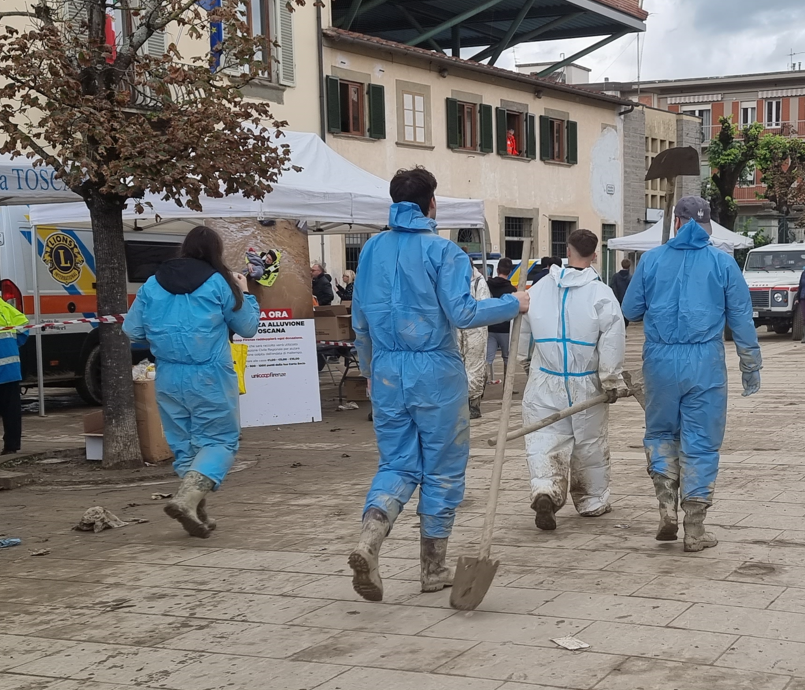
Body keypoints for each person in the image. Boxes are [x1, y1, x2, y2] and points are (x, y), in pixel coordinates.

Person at [349, 166, 529, 601]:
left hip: (389, 372)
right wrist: (513, 303)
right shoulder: (445, 252)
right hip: (435, 371)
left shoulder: (370, 249)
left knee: (396, 464)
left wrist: (371, 372)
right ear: (432, 204)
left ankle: (369, 539)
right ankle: (433, 568)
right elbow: (464, 314)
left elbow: (360, 323)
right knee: (443, 469)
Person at [622, 197, 762, 552]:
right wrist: (750, 363)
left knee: (660, 433)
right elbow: (742, 317)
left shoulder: (652, 259)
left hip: (660, 358)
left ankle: (666, 505)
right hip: (705, 361)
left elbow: (631, 309)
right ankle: (695, 530)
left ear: (677, 222)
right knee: (701, 442)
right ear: (706, 225)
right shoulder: (722, 262)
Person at [123, 226, 260, 538]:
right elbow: (248, 327)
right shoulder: (220, 283)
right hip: (209, 374)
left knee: (184, 444)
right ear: (216, 251)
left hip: (169, 374)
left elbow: (132, 330)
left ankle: (196, 508)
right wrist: (246, 291)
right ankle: (186, 499)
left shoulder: (153, 283)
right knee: (220, 441)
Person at [518, 229, 625, 530]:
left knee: (543, 439)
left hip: (544, 379)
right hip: (584, 381)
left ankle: (545, 491)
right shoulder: (601, 294)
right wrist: (611, 378)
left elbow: (522, 326)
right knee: (589, 443)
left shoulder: (539, 288)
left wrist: (523, 360)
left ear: (567, 250)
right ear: (595, 255)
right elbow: (613, 338)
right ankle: (592, 500)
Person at [458, 261, 492, 419]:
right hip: (458, 326)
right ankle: (460, 401)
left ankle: (473, 403)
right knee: (457, 364)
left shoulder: (479, 282)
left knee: (474, 366)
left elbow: (483, 306)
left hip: (475, 328)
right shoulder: (453, 279)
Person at [0, 298, 28, 455]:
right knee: (11, 411)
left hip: (7, 368)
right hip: (10, 368)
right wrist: (11, 345)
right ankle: (11, 446)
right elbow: (24, 327)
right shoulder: (3, 305)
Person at [486, 257, 516, 385]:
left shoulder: (487, 285)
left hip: (489, 327)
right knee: (507, 359)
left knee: (487, 359)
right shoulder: (512, 290)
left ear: (497, 269)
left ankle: (480, 386)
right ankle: (507, 387)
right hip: (505, 329)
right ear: (510, 271)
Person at [609, 258, 632, 327]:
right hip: (627, 300)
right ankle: (624, 329)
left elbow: (612, 287)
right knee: (625, 317)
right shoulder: (631, 278)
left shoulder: (615, 276)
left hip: (617, 300)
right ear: (629, 266)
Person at [798, 268, 805, 344]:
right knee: (804, 318)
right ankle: (804, 336)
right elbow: (800, 286)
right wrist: (798, 297)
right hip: (803, 297)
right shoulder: (803, 274)